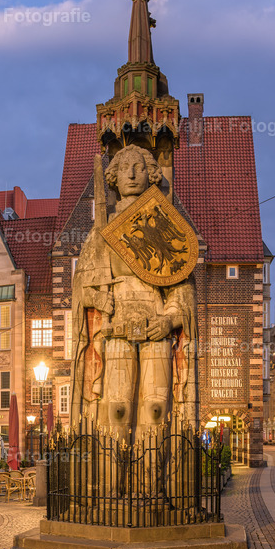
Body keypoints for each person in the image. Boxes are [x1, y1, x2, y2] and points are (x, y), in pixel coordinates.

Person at [70, 143, 197, 440]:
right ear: (112, 176)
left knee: (156, 408)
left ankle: (152, 479)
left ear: (151, 174)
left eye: (139, 168)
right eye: (124, 167)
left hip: (157, 325)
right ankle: (113, 480)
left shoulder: (162, 222)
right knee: (117, 410)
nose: (131, 174)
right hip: (117, 328)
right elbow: (82, 289)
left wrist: (169, 320)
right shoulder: (103, 230)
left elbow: (181, 287)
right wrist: (98, 298)